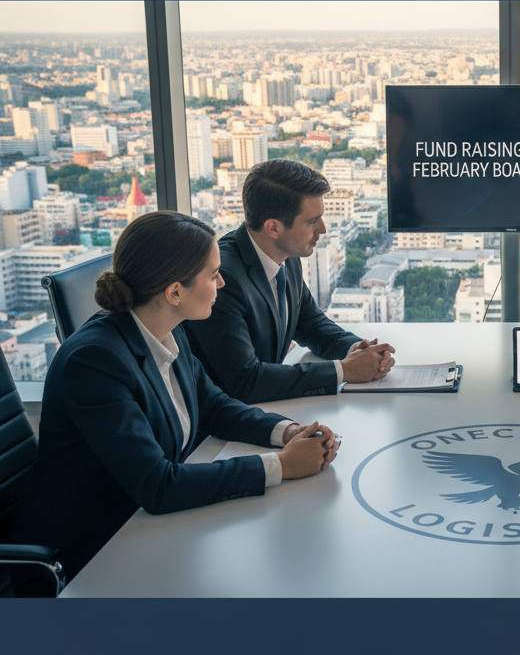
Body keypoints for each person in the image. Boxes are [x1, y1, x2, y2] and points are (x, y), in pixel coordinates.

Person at [13, 210, 339, 586]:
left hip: (147, 528)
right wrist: (279, 466)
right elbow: (158, 486)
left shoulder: (167, 328)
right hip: (91, 553)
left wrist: (287, 432)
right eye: (213, 274)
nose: (222, 282)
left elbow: (214, 406)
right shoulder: (94, 363)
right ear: (174, 292)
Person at [185, 159, 396, 403]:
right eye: (311, 222)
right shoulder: (223, 279)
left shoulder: (286, 254)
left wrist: (357, 350)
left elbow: (310, 324)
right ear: (273, 228)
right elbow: (246, 381)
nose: (323, 229)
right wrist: (344, 370)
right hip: (221, 428)